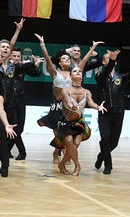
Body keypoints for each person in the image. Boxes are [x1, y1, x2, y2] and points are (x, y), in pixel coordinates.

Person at [35, 33, 103, 163]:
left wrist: (92, 48)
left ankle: (65, 156)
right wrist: (42, 45)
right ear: (60, 62)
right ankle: (56, 153)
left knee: (68, 136)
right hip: (57, 107)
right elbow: (48, 60)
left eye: (68, 58)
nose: (67, 60)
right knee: (59, 136)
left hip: (69, 108)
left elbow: (83, 62)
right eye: (64, 58)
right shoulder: (54, 73)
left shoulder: (74, 72)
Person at [0, 19, 40, 177]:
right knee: (2, 135)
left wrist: (34, 64)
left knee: (13, 134)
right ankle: (4, 167)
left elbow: (25, 66)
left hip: (12, 106)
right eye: (3, 47)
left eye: (8, 47)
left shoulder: (13, 67)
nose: (6, 49)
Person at [95, 48, 130, 174]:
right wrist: (112, 61)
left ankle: (101, 156)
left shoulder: (121, 77)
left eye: (112, 59)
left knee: (113, 143)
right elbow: (106, 71)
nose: (111, 60)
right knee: (104, 139)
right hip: (104, 112)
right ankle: (108, 165)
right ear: (104, 62)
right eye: (108, 59)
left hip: (119, 112)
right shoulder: (100, 76)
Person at [52, 66, 106, 176]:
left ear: (82, 76)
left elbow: (91, 103)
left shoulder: (87, 92)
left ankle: (61, 164)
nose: (78, 72)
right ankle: (78, 165)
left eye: (79, 71)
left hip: (79, 123)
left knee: (75, 145)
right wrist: (72, 105)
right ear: (71, 76)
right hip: (66, 123)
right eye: (75, 71)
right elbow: (68, 100)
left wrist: (98, 107)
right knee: (69, 143)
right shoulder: (65, 90)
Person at [8, 47, 42, 160]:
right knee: (14, 127)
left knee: (20, 128)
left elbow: (36, 74)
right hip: (10, 100)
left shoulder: (23, 67)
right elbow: (19, 68)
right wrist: (31, 64)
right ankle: (22, 152)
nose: (16, 58)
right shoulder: (8, 67)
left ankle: (7, 150)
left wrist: (35, 64)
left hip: (21, 100)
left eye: (18, 56)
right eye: (14, 56)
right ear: (9, 56)